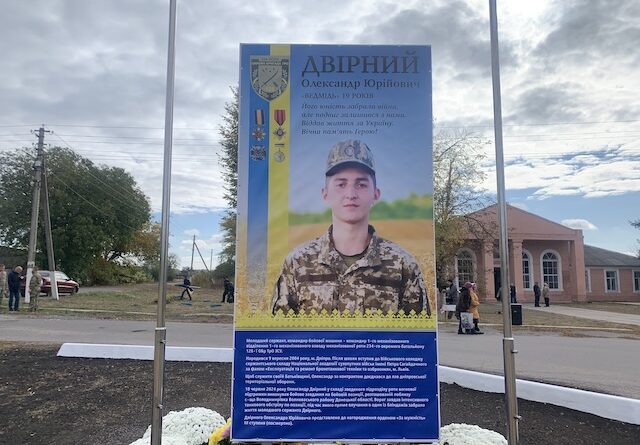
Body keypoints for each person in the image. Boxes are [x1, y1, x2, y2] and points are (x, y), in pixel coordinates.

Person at [272, 139, 430, 317]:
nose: (351, 194)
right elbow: (280, 330)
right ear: (325, 194)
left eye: (361, 184)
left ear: (375, 194)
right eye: (341, 184)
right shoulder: (297, 263)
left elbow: (418, 332)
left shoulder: (403, 265)